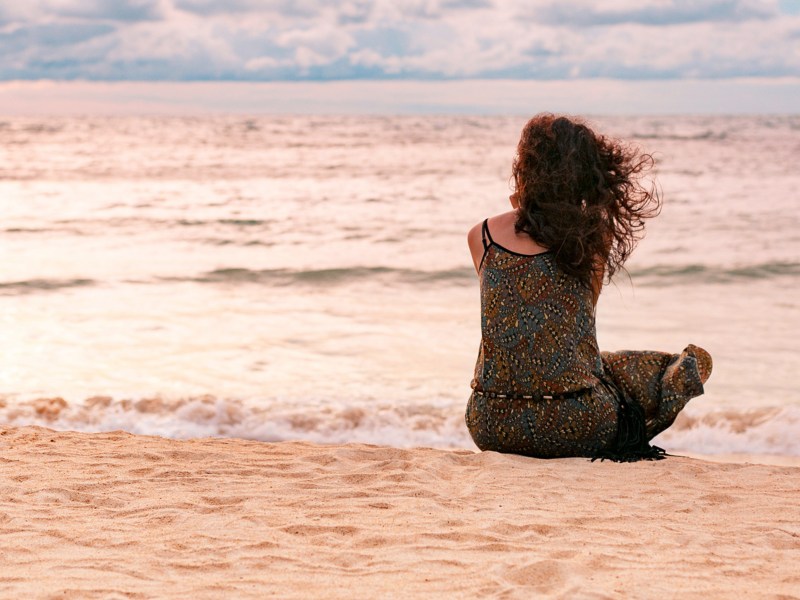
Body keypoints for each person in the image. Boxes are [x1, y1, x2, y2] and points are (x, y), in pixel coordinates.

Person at [465, 113, 712, 461]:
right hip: (577, 422)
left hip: (490, 422)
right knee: (666, 367)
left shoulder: (482, 236)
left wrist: (525, 202)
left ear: (524, 168)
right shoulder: (591, 239)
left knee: (601, 365)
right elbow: (579, 320)